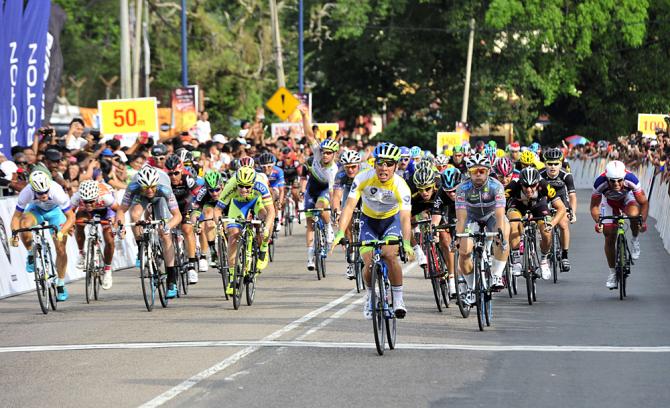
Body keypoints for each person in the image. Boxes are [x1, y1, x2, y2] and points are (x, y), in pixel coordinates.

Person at [333, 143, 414, 319]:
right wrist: (340, 232)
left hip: (390, 222)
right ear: (374, 163)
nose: (384, 168)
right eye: (380, 163)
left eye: (389, 164)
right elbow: (348, 207)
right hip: (368, 221)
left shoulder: (401, 186)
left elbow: (405, 218)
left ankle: (398, 299)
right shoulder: (363, 178)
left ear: (396, 165)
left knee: (390, 255)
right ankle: (370, 296)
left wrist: (406, 243)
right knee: (368, 262)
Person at [116, 165, 182, 299]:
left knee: (165, 236)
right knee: (135, 215)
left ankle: (171, 279)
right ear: (140, 185)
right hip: (141, 198)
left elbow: (177, 216)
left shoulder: (164, 189)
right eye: (146, 188)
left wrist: (167, 226)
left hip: (161, 199)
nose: (150, 191)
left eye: (152, 187)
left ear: (156, 184)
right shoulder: (133, 187)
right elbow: (121, 210)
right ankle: (141, 247)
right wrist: (120, 227)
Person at [10, 170, 76, 301]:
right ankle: (30, 254)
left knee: (61, 249)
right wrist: (14, 234)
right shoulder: (26, 192)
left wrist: (62, 232)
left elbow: (71, 217)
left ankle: (61, 285)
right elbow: (16, 218)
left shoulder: (57, 192)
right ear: (33, 190)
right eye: (40, 193)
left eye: (46, 192)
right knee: (24, 224)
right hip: (36, 210)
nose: (44, 195)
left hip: (56, 212)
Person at [454, 153, 510, 291]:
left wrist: (500, 233)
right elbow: (461, 218)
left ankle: (496, 274)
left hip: (491, 215)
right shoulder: (462, 188)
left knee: (504, 233)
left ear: (488, 171)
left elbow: (500, 213)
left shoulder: (496, 186)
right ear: (469, 173)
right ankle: (472, 286)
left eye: (482, 171)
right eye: (474, 171)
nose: (478, 174)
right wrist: (458, 236)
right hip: (471, 217)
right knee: (464, 251)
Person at [590, 160, 648, 289]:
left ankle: (635, 239)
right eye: (612, 181)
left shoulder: (631, 179)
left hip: (627, 199)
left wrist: (642, 221)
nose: (616, 184)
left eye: (619, 180)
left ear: (624, 177)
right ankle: (612, 273)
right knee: (609, 236)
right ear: (607, 178)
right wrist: (598, 221)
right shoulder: (600, 182)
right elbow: (594, 206)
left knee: (634, 214)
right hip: (608, 202)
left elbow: (644, 202)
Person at [214, 167, 272, 292]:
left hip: (256, 202)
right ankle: (232, 279)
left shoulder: (260, 185)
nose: (244, 189)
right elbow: (217, 210)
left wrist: (266, 229)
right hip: (238, 205)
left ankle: (263, 249)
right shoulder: (231, 185)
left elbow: (271, 211)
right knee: (233, 236)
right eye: (241, 186)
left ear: (253, 183)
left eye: (247, 187)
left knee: (265, 216)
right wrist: (220, 228)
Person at [506, 167, 566, 279]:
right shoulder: (513, 186)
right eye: (525, 186)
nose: (529, 190)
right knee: (513, 223)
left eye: (533, 186)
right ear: (520, 183)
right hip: (518, 206)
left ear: (538, 183)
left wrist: (552, 223)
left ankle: (544, 260)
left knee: (546, 232)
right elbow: (499, 206)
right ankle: (516, 260)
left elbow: (561, 208)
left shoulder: (545, 186)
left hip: (538, 205)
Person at [299, 105, 339, 270]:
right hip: (312, 187)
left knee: (321, 207)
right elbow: (309, 135)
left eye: (329, 153)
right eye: (323, 152)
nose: (325, 155)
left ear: (334, 154)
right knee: (309, 221)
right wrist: (305, 115)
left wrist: (332, 210)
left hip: (324, 189)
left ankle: (328, 227)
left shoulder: (333, 170)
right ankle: (310, 257)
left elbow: (331, 192)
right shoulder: (316, 152)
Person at [72, 180, 119, 289]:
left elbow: (119, 210)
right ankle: (81, 253)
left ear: (96, 197)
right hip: (87, 212)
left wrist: (116, 224)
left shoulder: (106, 197)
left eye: (91, 201)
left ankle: (107, 271)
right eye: (85, 201)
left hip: (106, 210)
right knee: (78, 222)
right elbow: (69, 213)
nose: (88, 204)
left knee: (109, 238)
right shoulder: (77, 196)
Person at [539, 147, 577, 271]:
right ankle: (546, 249)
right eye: (549, 164)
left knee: (563, 223)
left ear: (561, 163)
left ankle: (565, 255)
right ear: (545, 164)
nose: (553, 167)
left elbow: (572, 196)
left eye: (556, 164)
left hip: (560, 198)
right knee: (544, 223)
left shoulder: (566, 175)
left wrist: (573, 212)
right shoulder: (539, 174)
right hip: (545, 198)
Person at [165, 154, 201, 284]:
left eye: (176, 173)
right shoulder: (164, 180)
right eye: (170, 174)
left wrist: (197, 211)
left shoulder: (188, 178)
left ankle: (191, 266)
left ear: (181, 170)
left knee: (186, 229)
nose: (173, 177)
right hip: (171, 207)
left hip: (186, 204)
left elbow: (199, 195)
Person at [331, 149, 363, 279]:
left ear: (359, 165)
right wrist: (338, 212)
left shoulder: (366, 170)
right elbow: (336, 196)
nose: (350, 170)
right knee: (346, 224)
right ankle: (350, 261)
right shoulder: (340, 175)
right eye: (347, 167)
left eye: (353, 167)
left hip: (364, 191)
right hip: (349, 191)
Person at [430, 167, 462, 297]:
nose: (452, 194)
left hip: (463, 212)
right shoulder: (441, 194)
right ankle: (452, 280)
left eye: (454, 190)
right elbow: (435, 219)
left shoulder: (468, 188)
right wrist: (434, 232)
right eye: (449, 192)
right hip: (447, 214)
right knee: (443, 236)